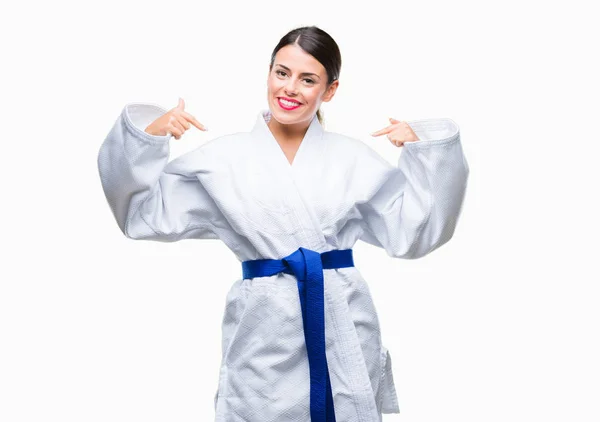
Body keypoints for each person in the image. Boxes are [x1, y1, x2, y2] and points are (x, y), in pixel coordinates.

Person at [97, 25, 469, 422]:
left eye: (308, 79)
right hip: (264, 327)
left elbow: (416, 234)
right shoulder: (223, 161)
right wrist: (146, 138)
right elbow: (141, 214)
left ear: (329, 90)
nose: (290, 88)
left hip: (342, 317)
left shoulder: (352, 159)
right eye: (281, 73)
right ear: (269, 74)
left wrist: (426, 149)